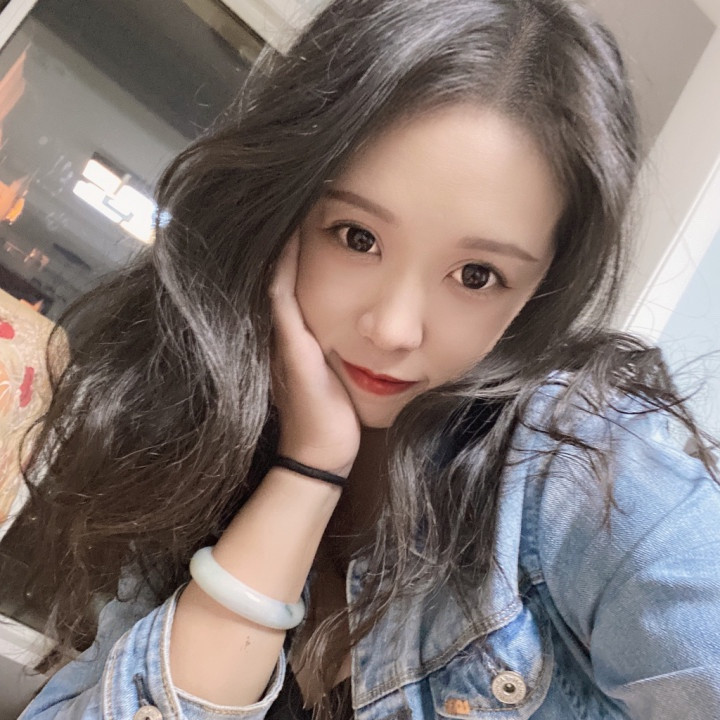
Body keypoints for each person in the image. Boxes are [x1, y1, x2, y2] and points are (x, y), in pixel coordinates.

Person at [6, 0, 720, 718]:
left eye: (477, 276)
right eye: (356, 237)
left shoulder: (587, 465)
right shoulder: (205, 437)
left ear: (538, 293)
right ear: (281, 211)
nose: (393, 329)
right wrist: (307, 472)